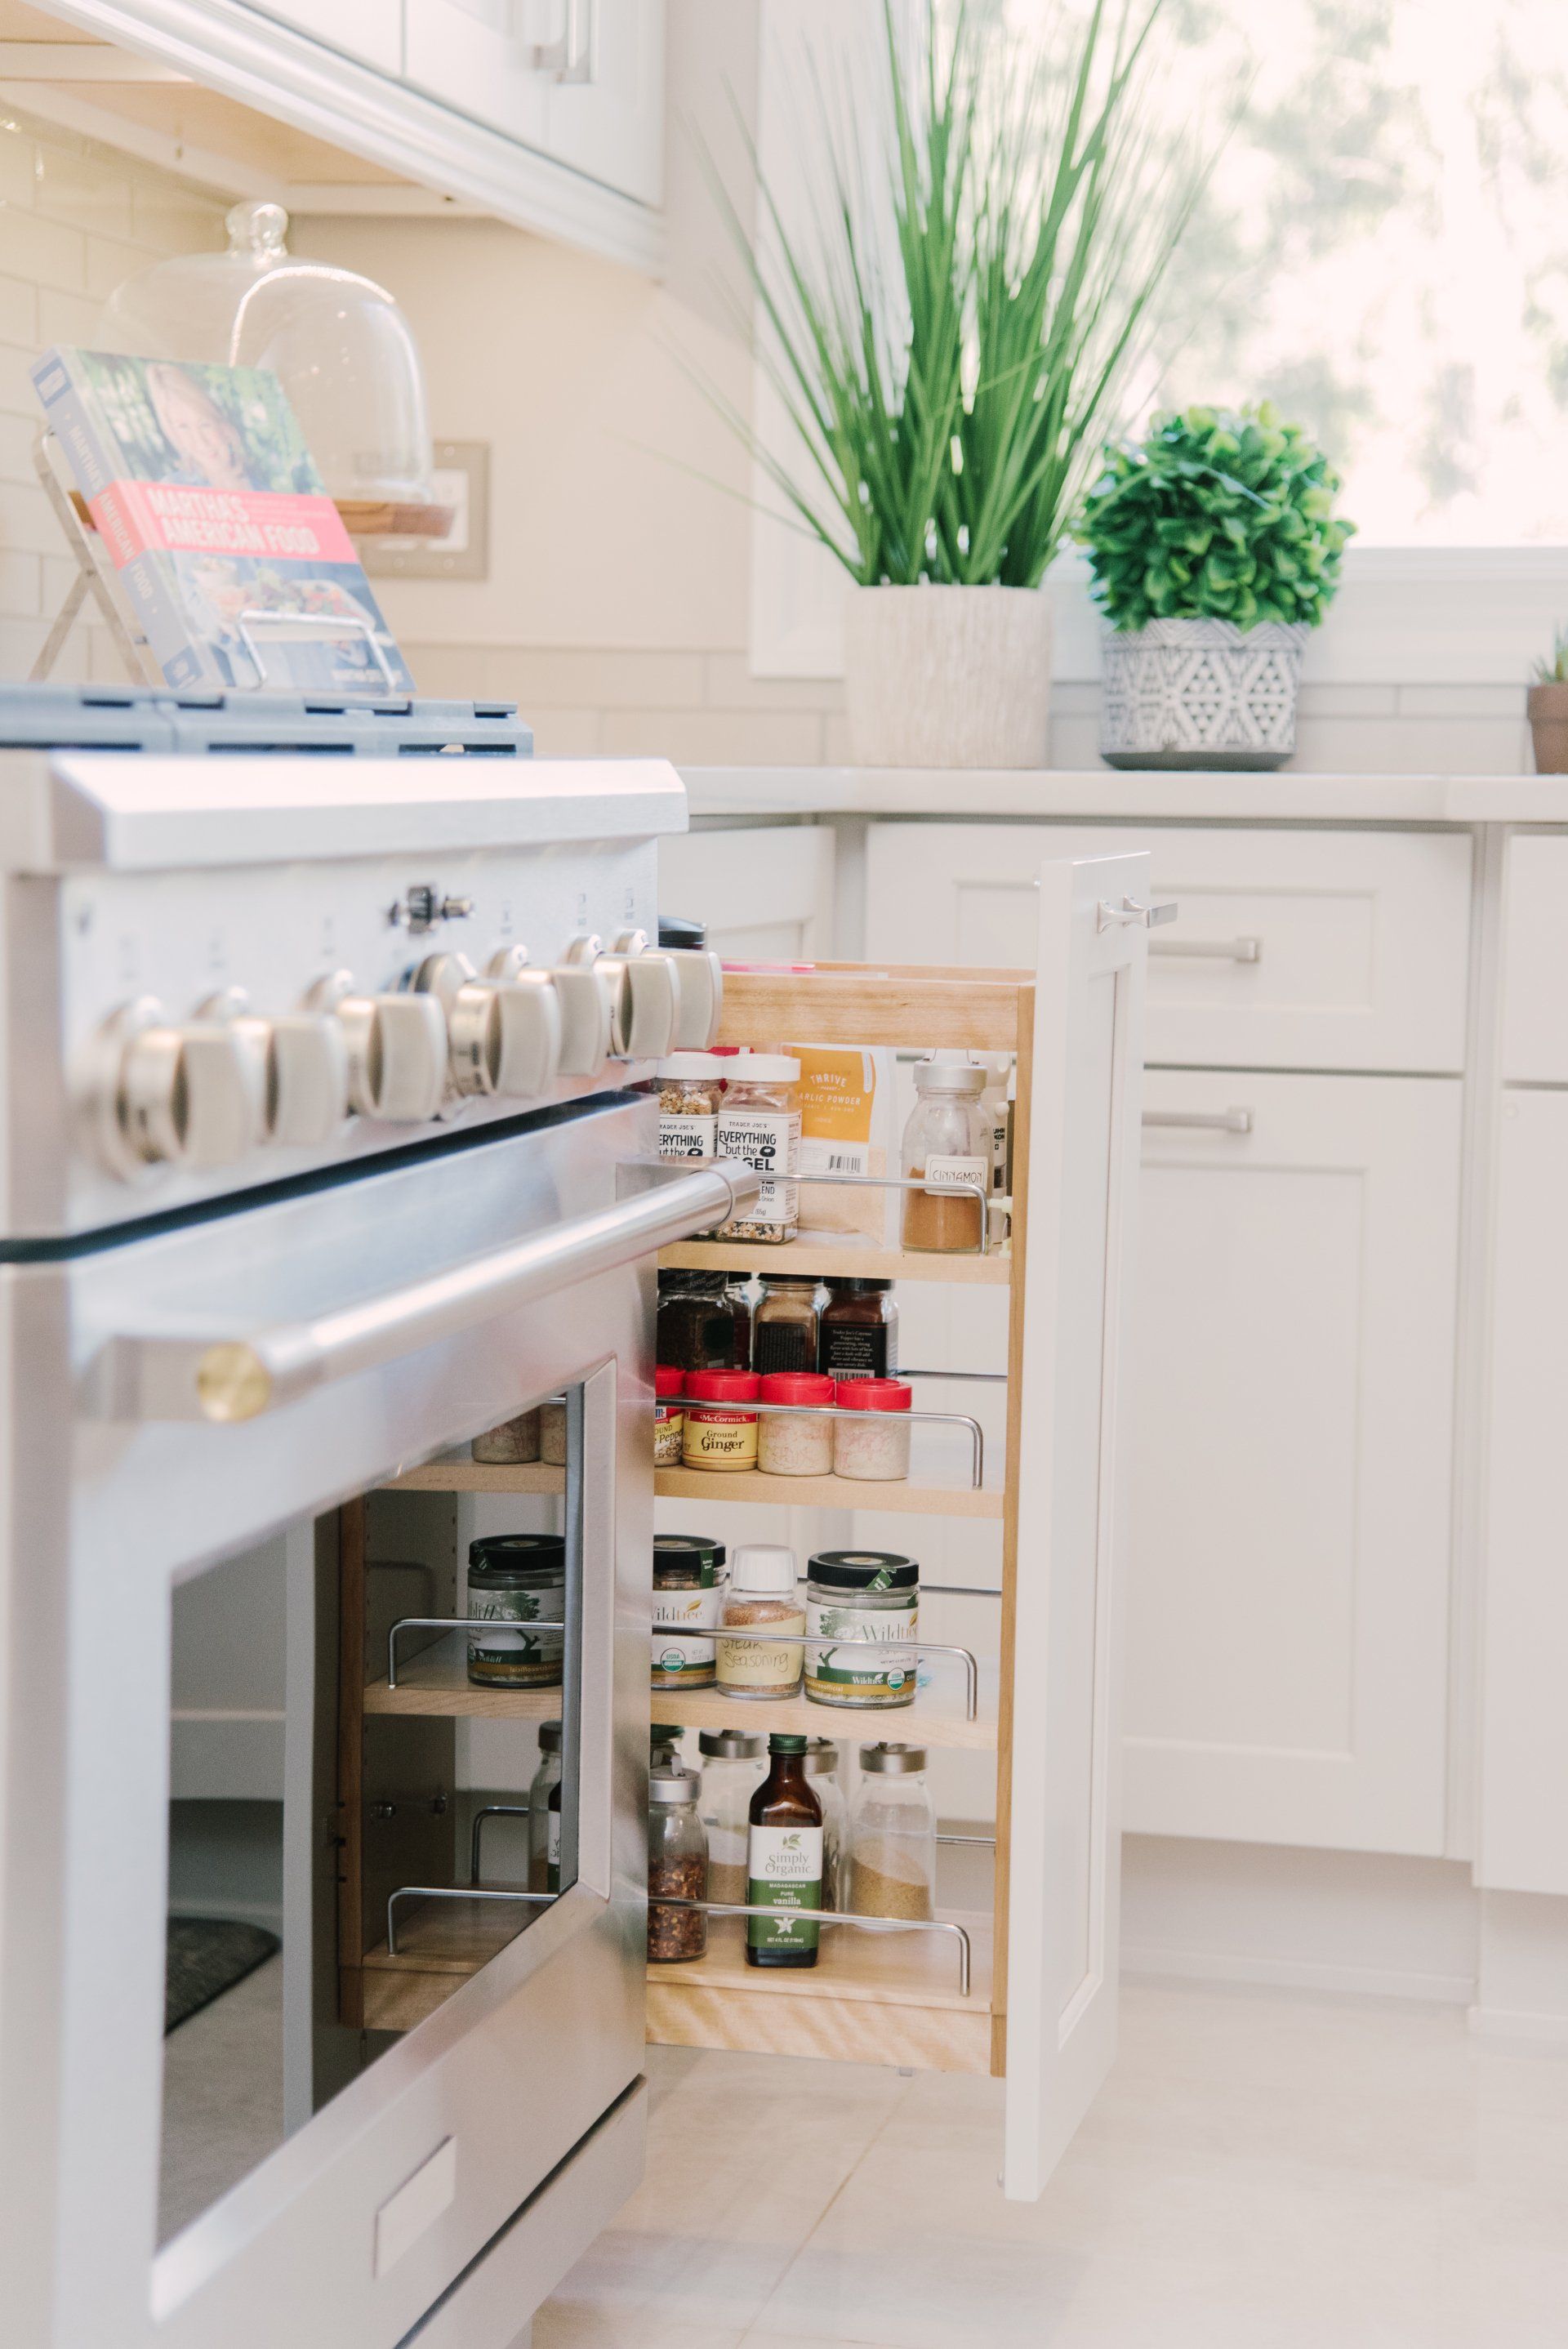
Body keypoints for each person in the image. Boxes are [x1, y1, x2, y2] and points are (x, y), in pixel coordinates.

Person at [145, 363, 264, 491]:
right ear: (174, 435)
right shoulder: (174, 490)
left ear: (223, 426)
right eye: (183, 427)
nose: (201, 441)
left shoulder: (262, 489)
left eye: (204, 424)